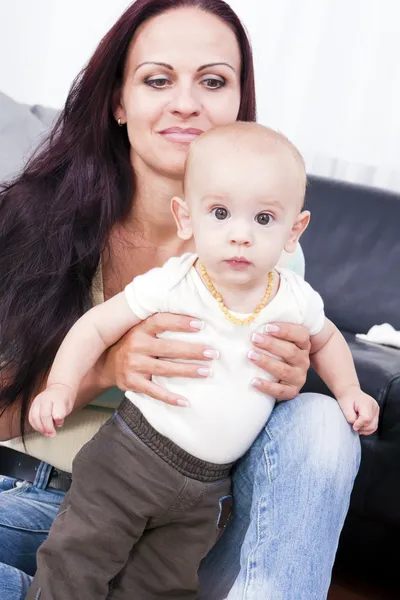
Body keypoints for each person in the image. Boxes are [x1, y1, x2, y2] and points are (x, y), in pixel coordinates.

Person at [0, 2, 362, 599]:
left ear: (239, 101)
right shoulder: (31, 220)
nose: (187, 103)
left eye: (213, 81)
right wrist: (104, 370)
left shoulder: (271, 254)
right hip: (36, 499)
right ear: (119, 102)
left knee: (319, 420)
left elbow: (259, 409)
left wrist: (293, 381)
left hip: (184, 524)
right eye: (158, 79)